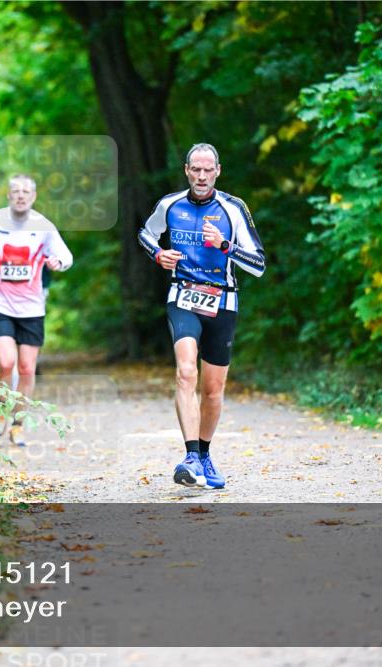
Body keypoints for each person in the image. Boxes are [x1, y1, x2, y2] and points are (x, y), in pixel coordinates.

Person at [138, 143, 265, 489]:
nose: (202, 176)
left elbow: (259, 265)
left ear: (218, 172)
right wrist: (158, 254)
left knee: (212, 389)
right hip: (182, 296)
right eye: (196, 169)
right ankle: (190, 455)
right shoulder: (170, 204)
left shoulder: (233, 209)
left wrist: (225, 245)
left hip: (223, 303)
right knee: (185, 371)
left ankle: (205, 455)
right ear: (187, 170)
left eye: (208, 170)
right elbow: (145, 234)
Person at [0, 174, 73, 446]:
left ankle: (18, 423)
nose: (21, 195)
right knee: (6, 363)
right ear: (9, 195)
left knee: (26, 368)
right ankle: (1, 412)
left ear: (33, 196)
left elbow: (66, 256)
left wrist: (58, 262)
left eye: (26, 191)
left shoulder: (43, 226)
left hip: (31, 307)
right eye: (16, 191)